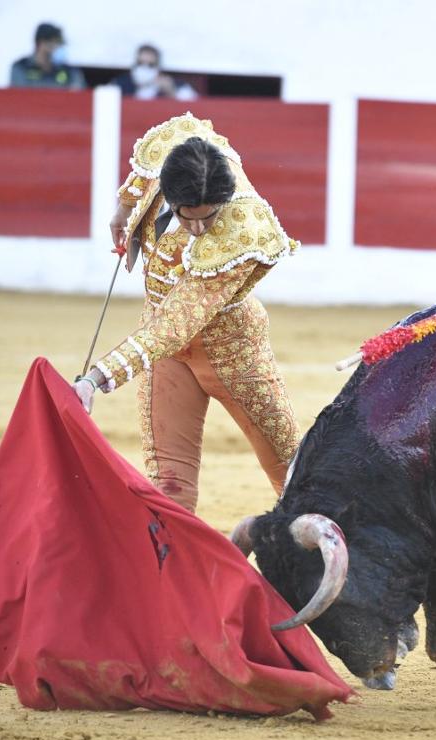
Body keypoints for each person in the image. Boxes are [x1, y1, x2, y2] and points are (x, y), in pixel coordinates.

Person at [73, 114, 300, 512]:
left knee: (295, 474)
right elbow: (142, 175)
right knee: (168, 485)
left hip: (232, 352)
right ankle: (169, 574)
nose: (197, 230)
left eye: (208, 217)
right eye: (185, 216)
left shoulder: (240, 231)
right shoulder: (173, 146)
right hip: (168, 356)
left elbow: (173, 327)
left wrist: (96, 378)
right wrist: (122, 210)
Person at [9, 22, 85, 90]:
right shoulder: (21, 68)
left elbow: (78, 90)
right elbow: (19, 96)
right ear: (41, 43)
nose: (56, 47)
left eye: (59, 44)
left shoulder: (67, 72)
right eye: (53, 42)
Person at [112, 44, 198, 101]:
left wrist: (171, 91)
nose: (145, 68)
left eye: (150, 65)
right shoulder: (120, 83)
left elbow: (195, 104)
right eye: (140, 63)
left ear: (158, 67)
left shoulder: (175, 84)